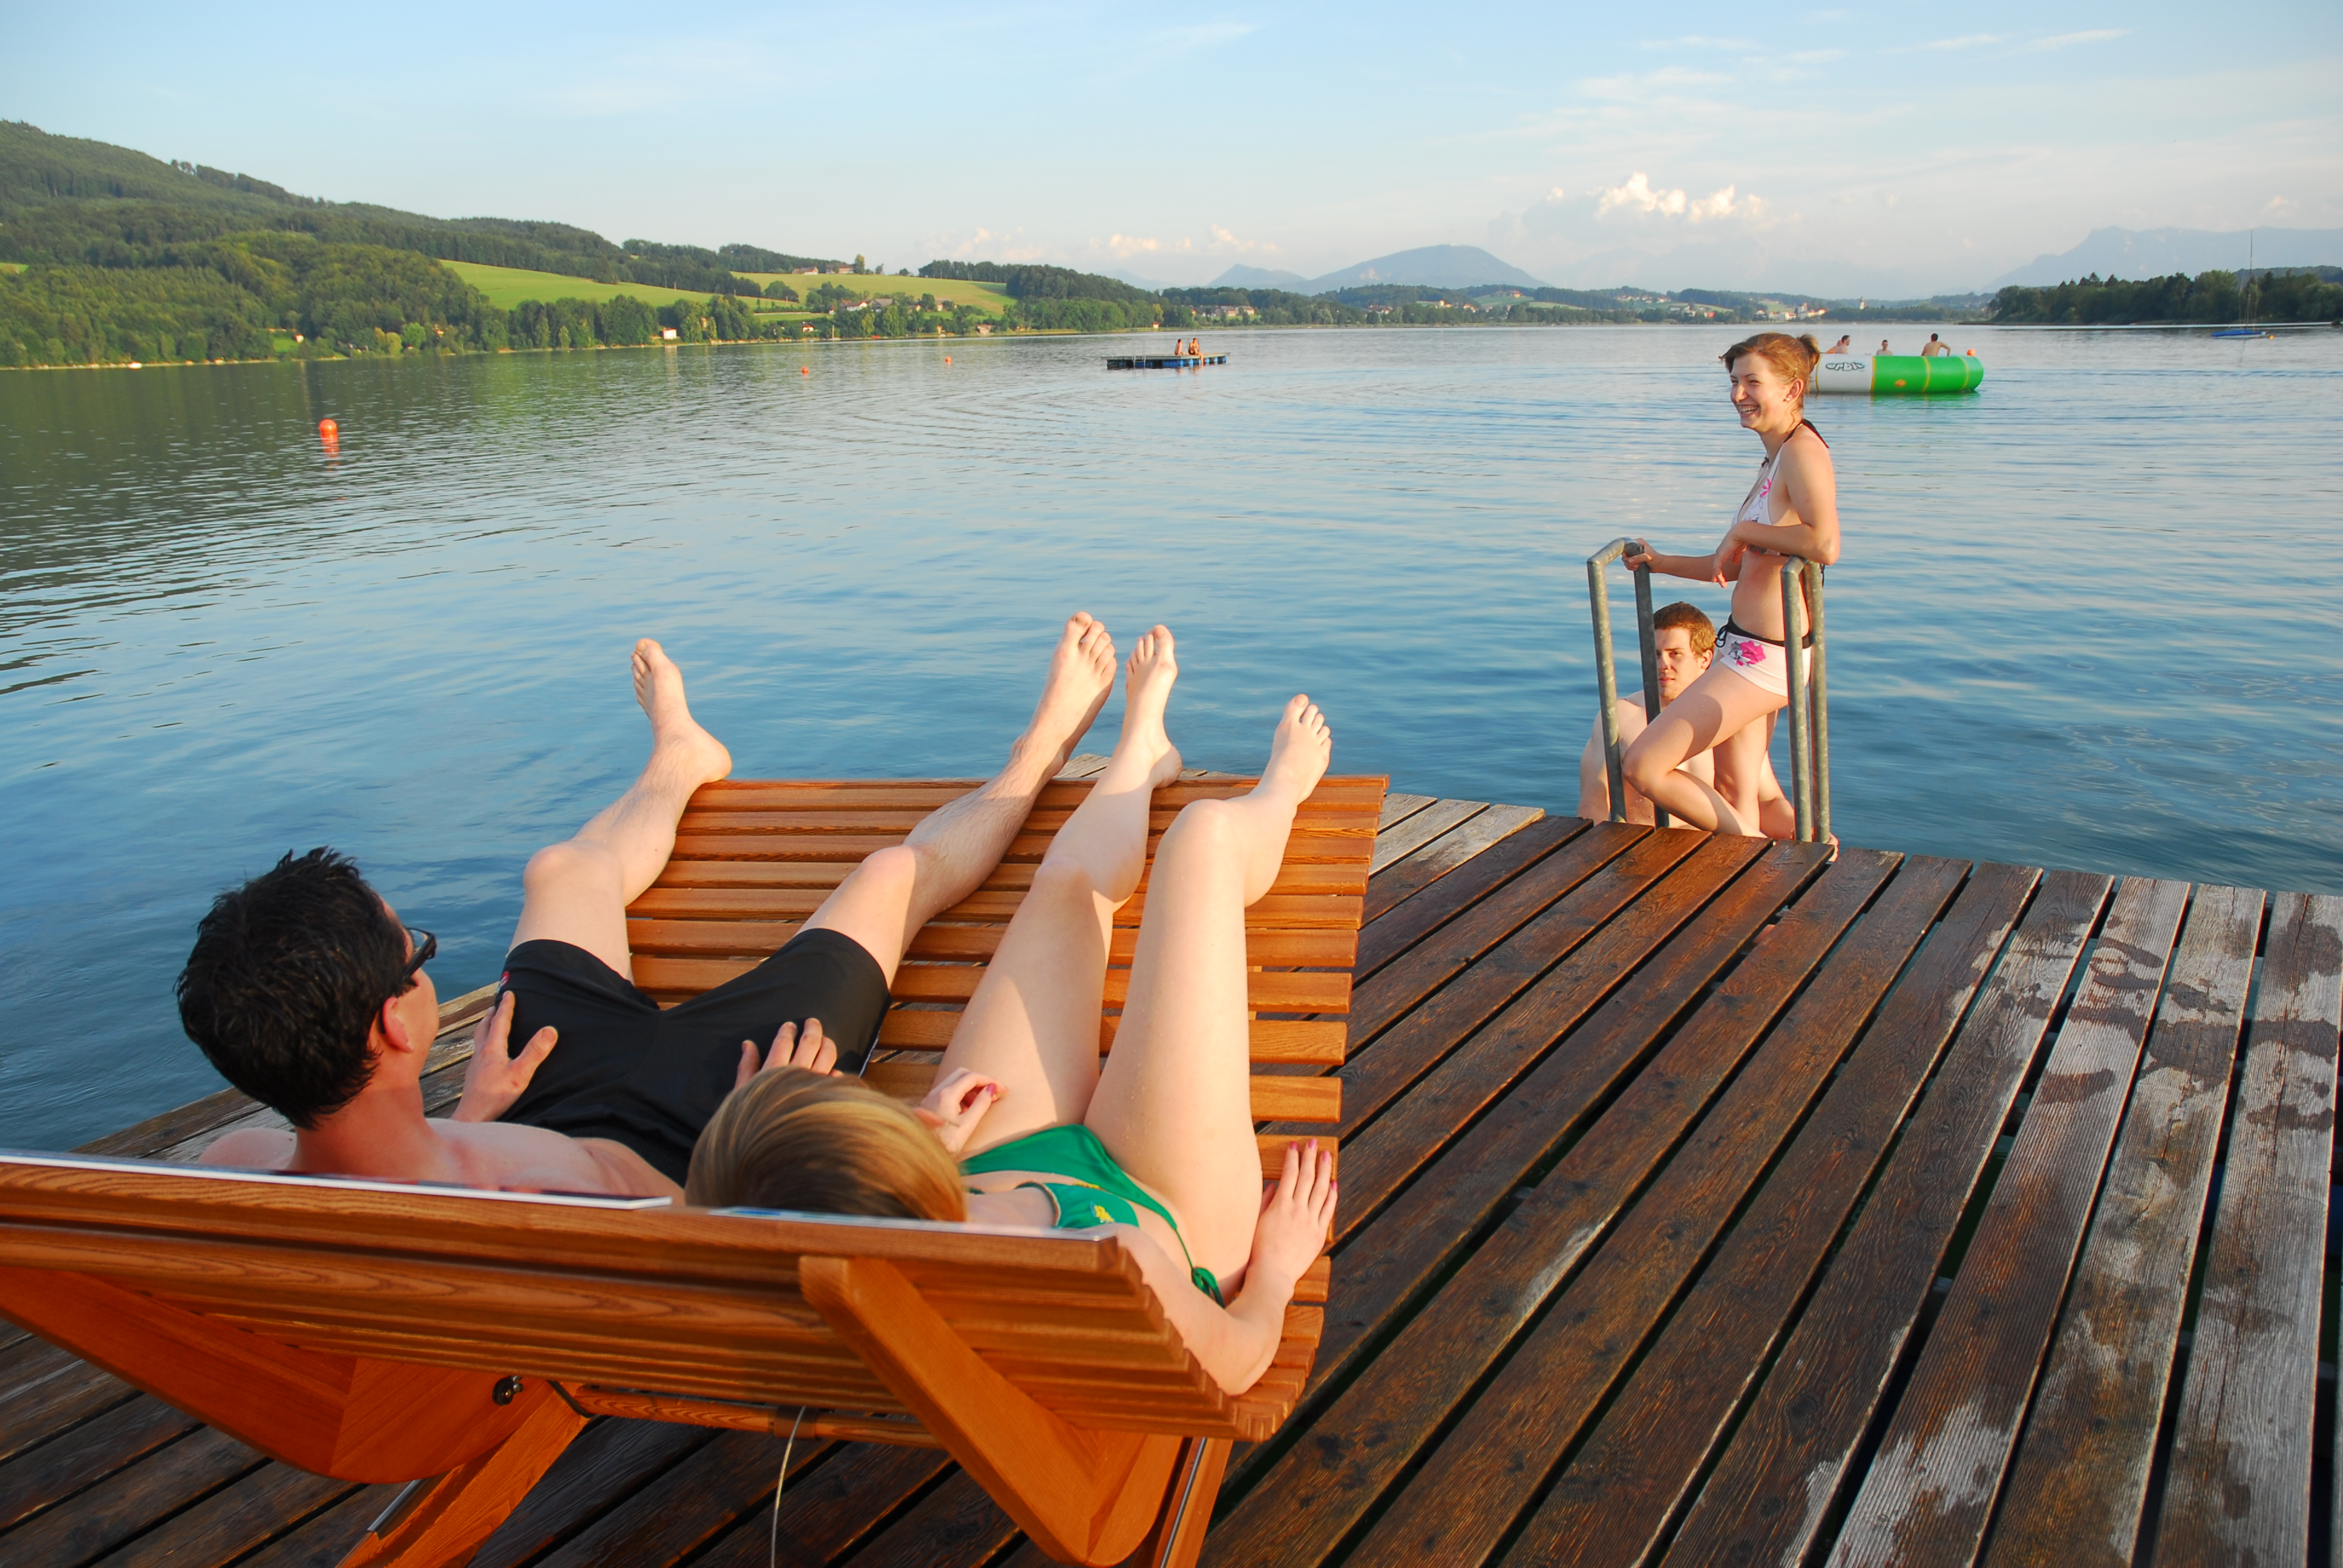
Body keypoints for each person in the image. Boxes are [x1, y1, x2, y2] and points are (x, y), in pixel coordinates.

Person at [181, 617, 1126, 1198]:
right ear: (393, 1022)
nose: (429, 967)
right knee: (890, 875)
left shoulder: (239, 1164)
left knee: (563, 870)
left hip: (515, 1102)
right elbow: (732, 1227)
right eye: (417, 953)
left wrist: (471, 1115)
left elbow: (415, 1173)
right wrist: (790, 1114)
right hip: (720, 1115)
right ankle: (1038, 751)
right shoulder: (565, 1189)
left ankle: (679, 759)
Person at [689, 628, 1340, 1396]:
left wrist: (929, 1145)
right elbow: (1232, 1360)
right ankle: (1282, 793)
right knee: (1201, 840)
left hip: (987, 1182)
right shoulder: (1114, 1264)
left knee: (1066, 883)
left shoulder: (830, 1240)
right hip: (1165, 1220)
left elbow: (816, 1209)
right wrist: (1275, 1272)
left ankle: (1139, 757)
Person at [1617, 333, 1840, 835]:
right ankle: (1804, 866)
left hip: (1767, 658)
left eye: (1752, 382)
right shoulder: (1776, 457)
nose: (1739, 394)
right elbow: (1740, 568)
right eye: (1734, 381)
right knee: (1739, 794)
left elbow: (1824, 543)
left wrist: (1741, 530)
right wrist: (1661, 562)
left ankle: (1758, 861)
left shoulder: (1803, 451)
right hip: (1746, 646)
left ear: (1792, 388)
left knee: (1645, 765)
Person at [1578, 603, 1798, 835]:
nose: (1663, 665)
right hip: (1642, 848)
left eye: (1676, 654)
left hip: (1713, 853)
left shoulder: (1729, 719)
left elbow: (1768, 801)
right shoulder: (1621, 716)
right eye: (1655, 654)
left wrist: (1803, 832)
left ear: (1704, 660)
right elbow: (1594, 803)